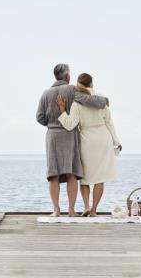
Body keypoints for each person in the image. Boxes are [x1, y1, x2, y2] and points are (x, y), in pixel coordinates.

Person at [36, 63, 109, 217]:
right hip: (70, 135)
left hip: (52, 136)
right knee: (72, 174)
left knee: (53, 174)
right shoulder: (72, 90)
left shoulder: (45, 93)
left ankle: (56, 210)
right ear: (67, 76)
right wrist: (103, 101)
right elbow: (88, 100)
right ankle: (70, 210)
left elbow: (39, 117)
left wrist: (51, 124)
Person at [56, 72, 121, 217]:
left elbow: (69, 125)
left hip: (86, 140)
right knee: (100, 177)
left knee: (85, 177)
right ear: (91, 83)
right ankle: (93, 211)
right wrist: (116, 141)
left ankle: (86, 206)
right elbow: (110, 123)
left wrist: (62, 110)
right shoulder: (101, 101)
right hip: (103, 139)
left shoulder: (76, 103)